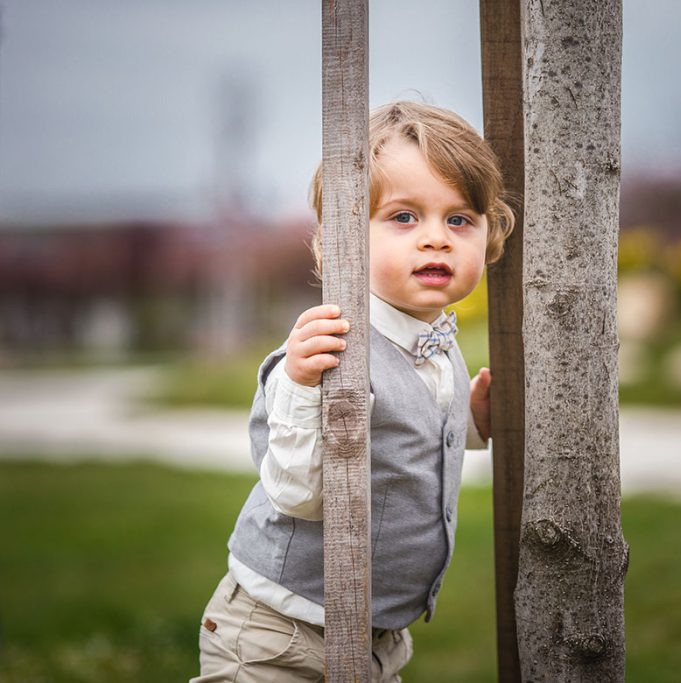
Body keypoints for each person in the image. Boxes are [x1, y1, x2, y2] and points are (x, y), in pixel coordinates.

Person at [191, 101, 514, 682]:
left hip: (373, 636)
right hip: (276, 633)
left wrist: (470, 418)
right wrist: (300, 385)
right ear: (344, 236)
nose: (436, 239)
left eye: (460, 219)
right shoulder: (330, 353)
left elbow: (402, 429)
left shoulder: (435, 340)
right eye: (404, 217)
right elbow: (297, 492)